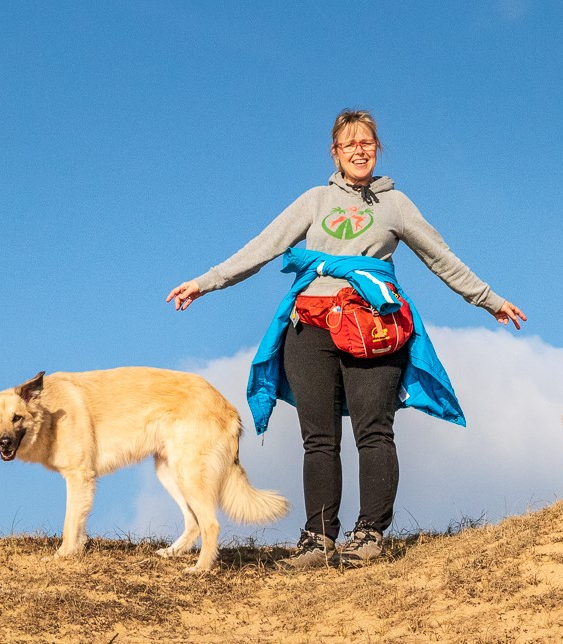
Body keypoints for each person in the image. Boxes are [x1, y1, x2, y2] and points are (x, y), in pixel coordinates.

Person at [166, 109, 526, 570]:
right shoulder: (316, 200)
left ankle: (370, 533)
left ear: (377, 150)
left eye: (368, 143)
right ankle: (318, 538)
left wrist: (489, 299)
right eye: (349, 143)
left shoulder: (396, 205)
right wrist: (206, 282)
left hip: (373, 327)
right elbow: (264, 246)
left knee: (373, 429)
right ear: (335, 153)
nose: (360, 150)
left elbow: (441, 256)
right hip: (311, 325)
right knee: (318, 437)